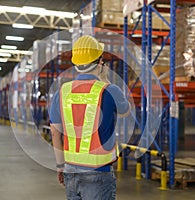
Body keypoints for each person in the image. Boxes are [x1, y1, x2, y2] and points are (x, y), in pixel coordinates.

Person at [49, 35, 130, 200]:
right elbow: (125, 111)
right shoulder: (110, 90)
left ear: (76, 64)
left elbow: (55, 133)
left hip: (71, 170)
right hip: (98, 172)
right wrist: (105, 79)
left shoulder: (62, 92)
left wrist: (60, 166)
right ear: (100, 62)